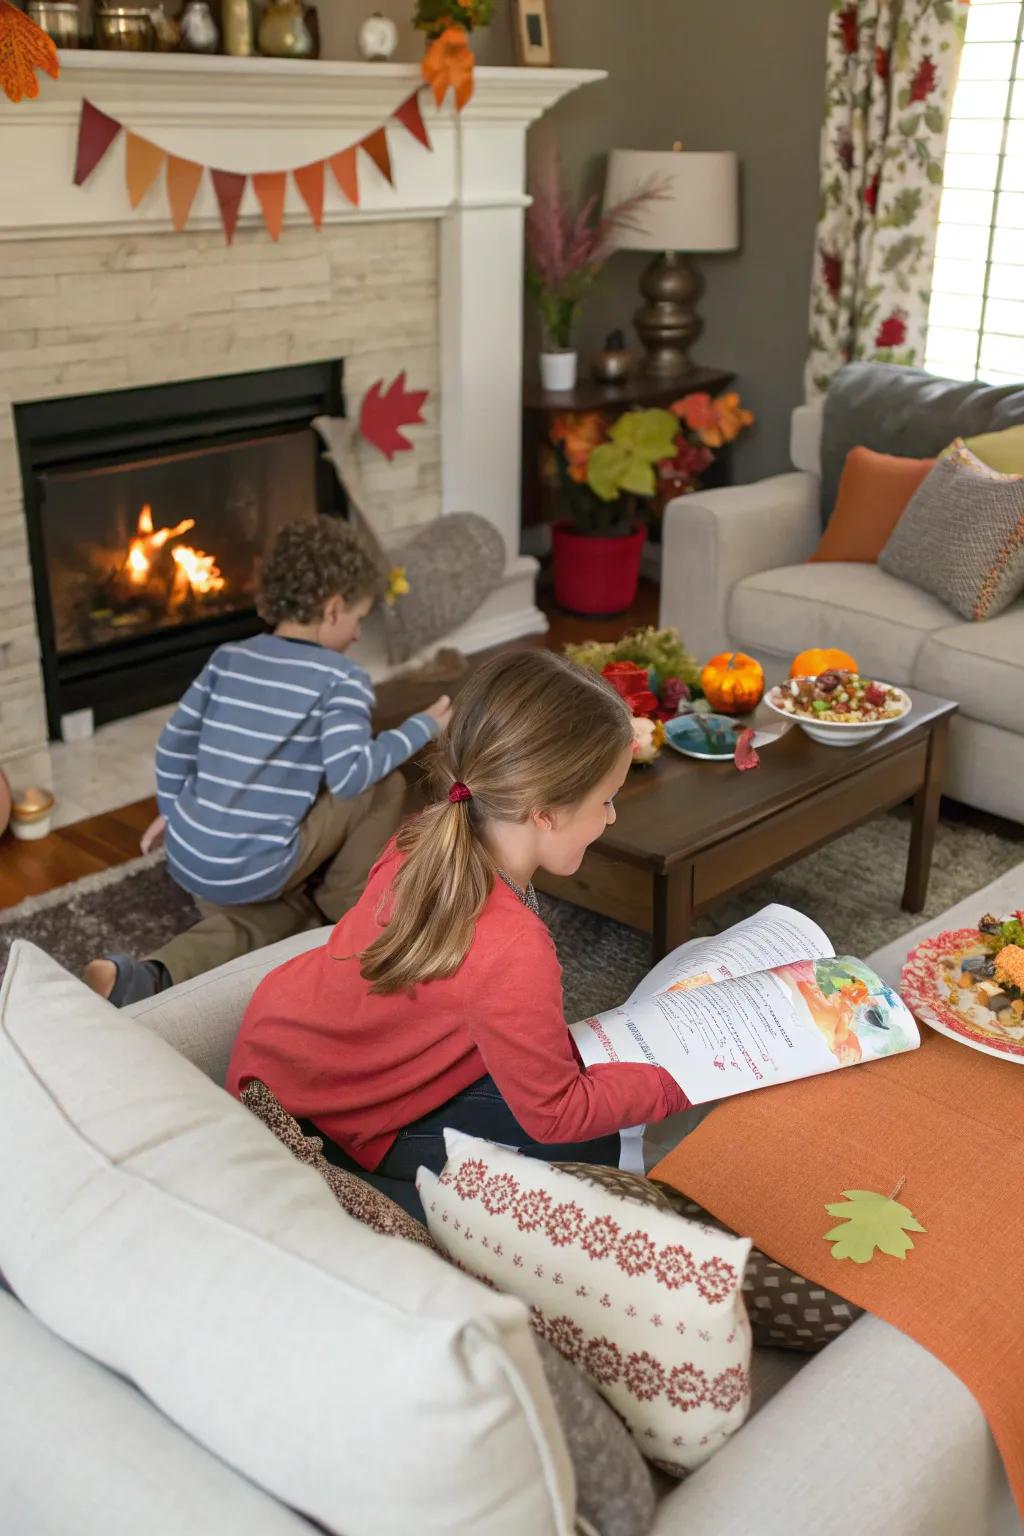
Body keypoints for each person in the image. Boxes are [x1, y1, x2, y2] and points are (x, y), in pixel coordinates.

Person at [226, 649, 688, 1194]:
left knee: (582, 1092)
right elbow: (555, 1113)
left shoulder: (428, 832)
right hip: (325, 1118)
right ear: (545, 813)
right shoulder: (513, 947)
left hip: (283, 1048)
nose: (611, 817)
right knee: (591, 1139)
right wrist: (676, 1083)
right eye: (606, 801)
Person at [85, 517, 451, 1006]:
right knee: (379, 782)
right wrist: (421, 727)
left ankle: (147, 979)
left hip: (192, 860)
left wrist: (178, 811)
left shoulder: (228, 657)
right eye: (358, 619)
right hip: (254, 871)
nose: (359, 634)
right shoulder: (342, 678)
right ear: (333, 608)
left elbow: (173, 746)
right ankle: (349, 911)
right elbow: (349, 777)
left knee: (278, 919)